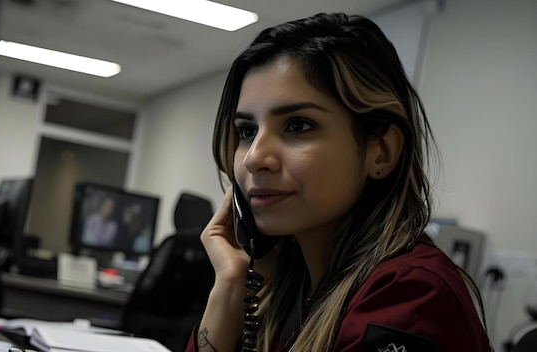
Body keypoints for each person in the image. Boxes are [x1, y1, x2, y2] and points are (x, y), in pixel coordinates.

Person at [186, 12, 493, 352]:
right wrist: (230, 285)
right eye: (247, 131)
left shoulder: (410, 293)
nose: (254, 158)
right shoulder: (289, 285)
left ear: (381, 152)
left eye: (297, 125)